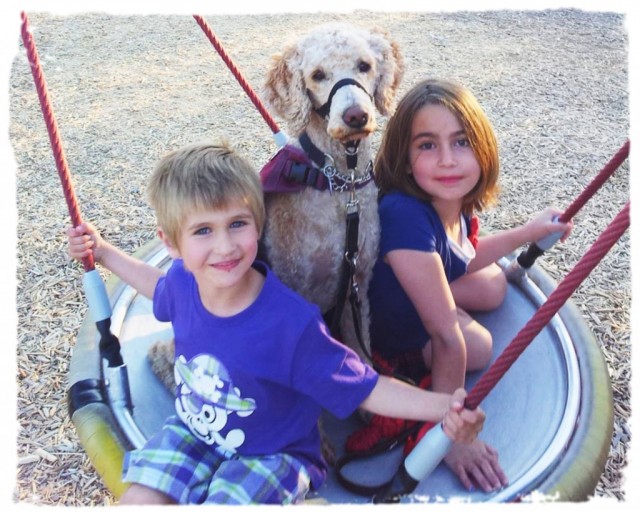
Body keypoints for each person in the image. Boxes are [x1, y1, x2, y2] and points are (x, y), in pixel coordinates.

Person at [66, 140, 487, 505]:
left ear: (258, 224)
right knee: (137, 499)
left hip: (272, 455)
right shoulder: (183, 282)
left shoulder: (290, 325)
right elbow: (155, 286)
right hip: (196, 432)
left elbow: (367, 387)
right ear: (171, 243)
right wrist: (103, 252)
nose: (225, 247)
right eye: (203, 232)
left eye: (237, 224)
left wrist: (445, 406)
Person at [368, 79, 573, 493]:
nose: (447, 160)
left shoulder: (449, 206)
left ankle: (440, 299)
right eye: (427, 145)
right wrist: (452, 436)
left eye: (461, 142)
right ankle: (437, 308)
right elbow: (448, 339)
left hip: (411, 287)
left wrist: (526, 231)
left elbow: (462, 254)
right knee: (476, 344)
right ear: (405, 160)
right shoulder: (404, 214)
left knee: (493, 285)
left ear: (481, 147)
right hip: (387, 337)